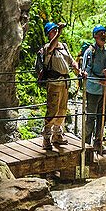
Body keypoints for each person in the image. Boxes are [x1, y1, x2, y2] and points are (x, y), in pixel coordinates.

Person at [38, 21, 80, 151]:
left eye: (55, 30)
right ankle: (46, 137)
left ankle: (57, 134)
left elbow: (71, 61)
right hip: (54, 82)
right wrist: (59, 32)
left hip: (65, 83)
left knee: (62, 110)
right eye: (52, 31)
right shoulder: (47, 47)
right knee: (52, 110)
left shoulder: (64, 47)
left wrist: (77, 69)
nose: (55, 32)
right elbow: (51, 47)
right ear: (48, 34)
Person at [81, 25, 106, 154]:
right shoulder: (90, 52)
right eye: (100, 33)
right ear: (95, 36)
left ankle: (98, 143)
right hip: (93, 90)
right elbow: (86, 72)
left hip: (104, 90)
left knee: (102, 117)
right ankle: (86, 144)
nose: (103, 36)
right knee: (91, 117)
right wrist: (98, 80)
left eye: (104, 33)